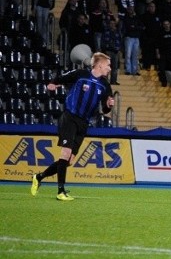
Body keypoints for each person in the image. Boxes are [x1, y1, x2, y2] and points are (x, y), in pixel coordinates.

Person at [31, 53, 115, 201]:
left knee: (68, 161)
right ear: (99, 65)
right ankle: (60, 192)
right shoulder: (81, 74)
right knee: (65, 153)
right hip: (69, 118)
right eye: (108, 65)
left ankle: (39, 177)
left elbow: (106, 108)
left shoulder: (105, 85)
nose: (110, 68)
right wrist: (53, 83)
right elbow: (62, 78)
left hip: (84, 124)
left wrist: (108, 106)